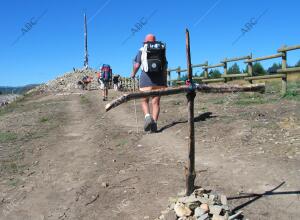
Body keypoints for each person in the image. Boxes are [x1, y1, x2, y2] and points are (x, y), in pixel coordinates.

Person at [131, 34, 168, 133]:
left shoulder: (142, 49)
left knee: (144, 100)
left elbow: (137, 64)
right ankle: (154, 123)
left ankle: (147, 116)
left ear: (145, 42)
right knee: (156, 103)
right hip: (159, 81)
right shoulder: (161, 49)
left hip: (146, 80)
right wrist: (164, 80)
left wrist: (133, 74)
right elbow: (165, 66)